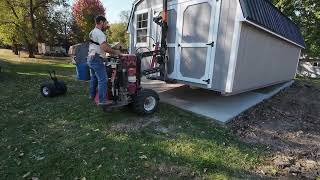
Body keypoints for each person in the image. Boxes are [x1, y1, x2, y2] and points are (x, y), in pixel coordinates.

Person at [87, 15, 122, 105]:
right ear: (101, 22)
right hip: (96, 58)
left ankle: (92, 96)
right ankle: (102, 100)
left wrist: (106, 55)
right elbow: (104, 47)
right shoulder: (100, 33)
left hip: (91, 57)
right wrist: (115, 52)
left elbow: (99, 45)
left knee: (94, 78)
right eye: (106, 23)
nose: (106, 25)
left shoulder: (92, 32)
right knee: (103, 79)